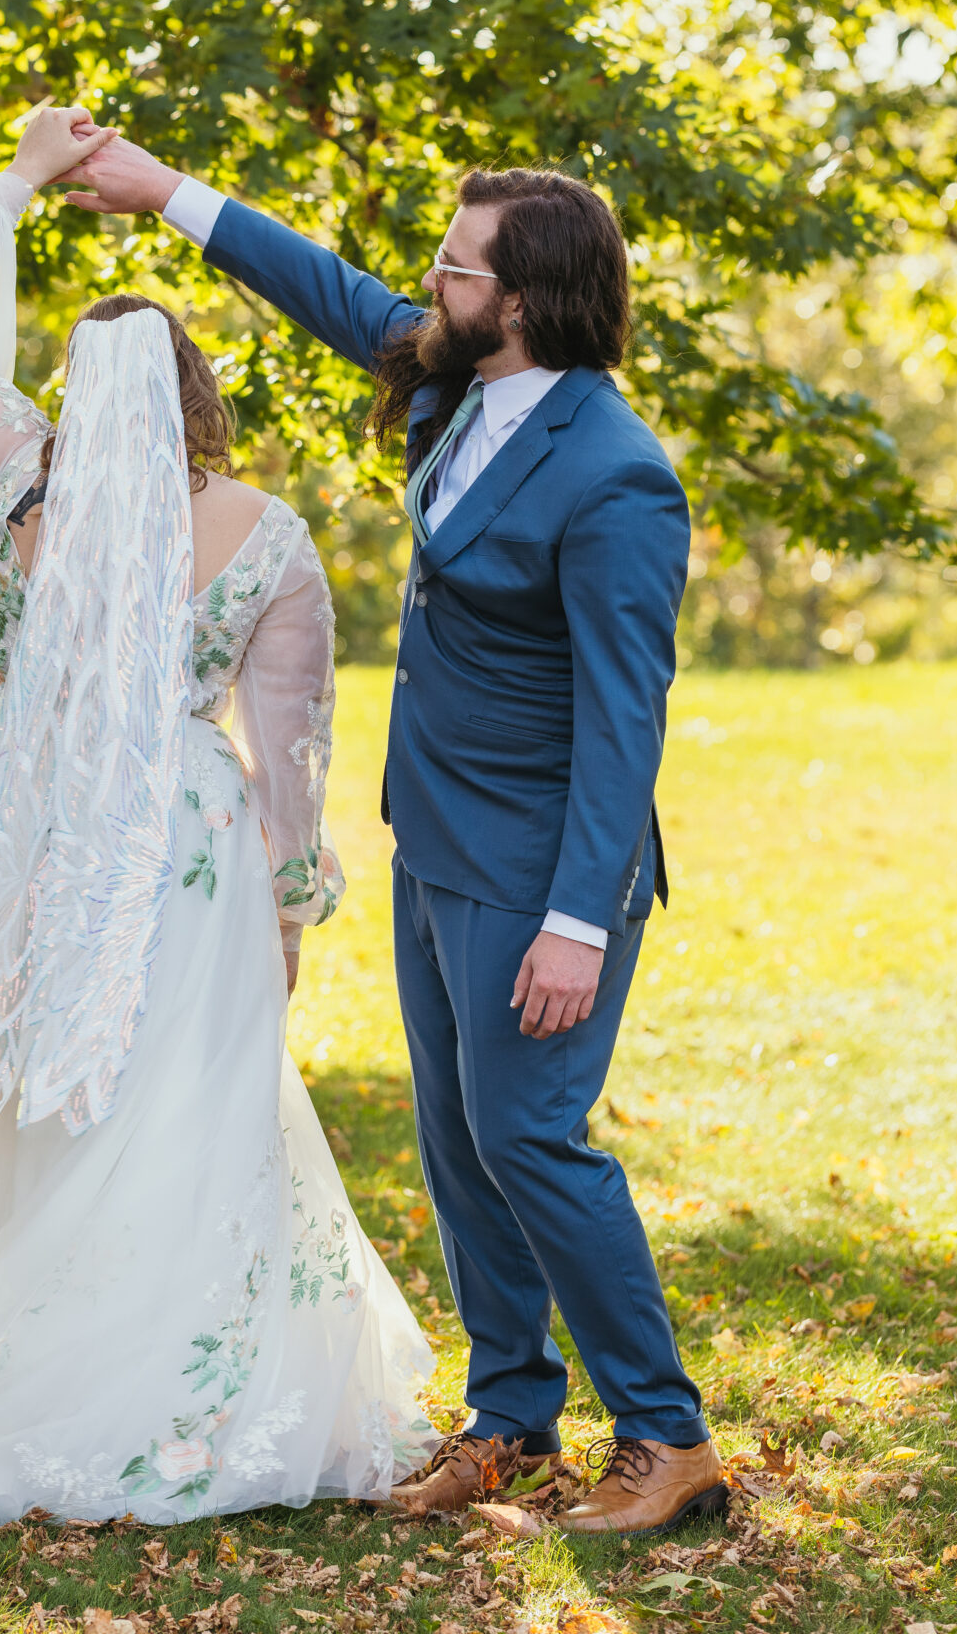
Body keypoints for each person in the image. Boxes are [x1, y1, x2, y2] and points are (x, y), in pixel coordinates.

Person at [0, 106, 437, 1525]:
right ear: (198, 399)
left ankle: (11, 1353)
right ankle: (154, 1380)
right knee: (171, 1094)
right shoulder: (270, 539)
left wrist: (18, 179)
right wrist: (288, 907)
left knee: (12, 1095)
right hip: (174, 841)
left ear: (70, 387)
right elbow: (292, 750)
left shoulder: (12, 464)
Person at [62, 138, 727, 1538]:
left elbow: (627, 720)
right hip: (432, 836)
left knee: (530, 1136)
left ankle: (667, 1440)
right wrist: (163, 191)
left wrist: (577, 923)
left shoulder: (616, 474)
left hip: (541, 869)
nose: (429, 282)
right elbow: (327, 287)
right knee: (458, 1139)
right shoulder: (455, 378)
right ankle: (512, 1418)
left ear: (522, 302)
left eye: (455, 266)